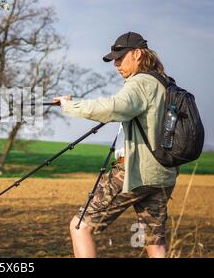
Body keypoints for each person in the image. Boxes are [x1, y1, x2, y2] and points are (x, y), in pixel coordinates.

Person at [53, 32, 178, 258]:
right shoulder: (164, 83)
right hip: (163, 174)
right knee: (154, 242)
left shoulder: (140, 82)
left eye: (120, 57)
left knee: (80, 227)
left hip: (135, 172)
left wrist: (71, 105)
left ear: (138, 54)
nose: (116, 64)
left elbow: (114, 107)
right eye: (114, 60)